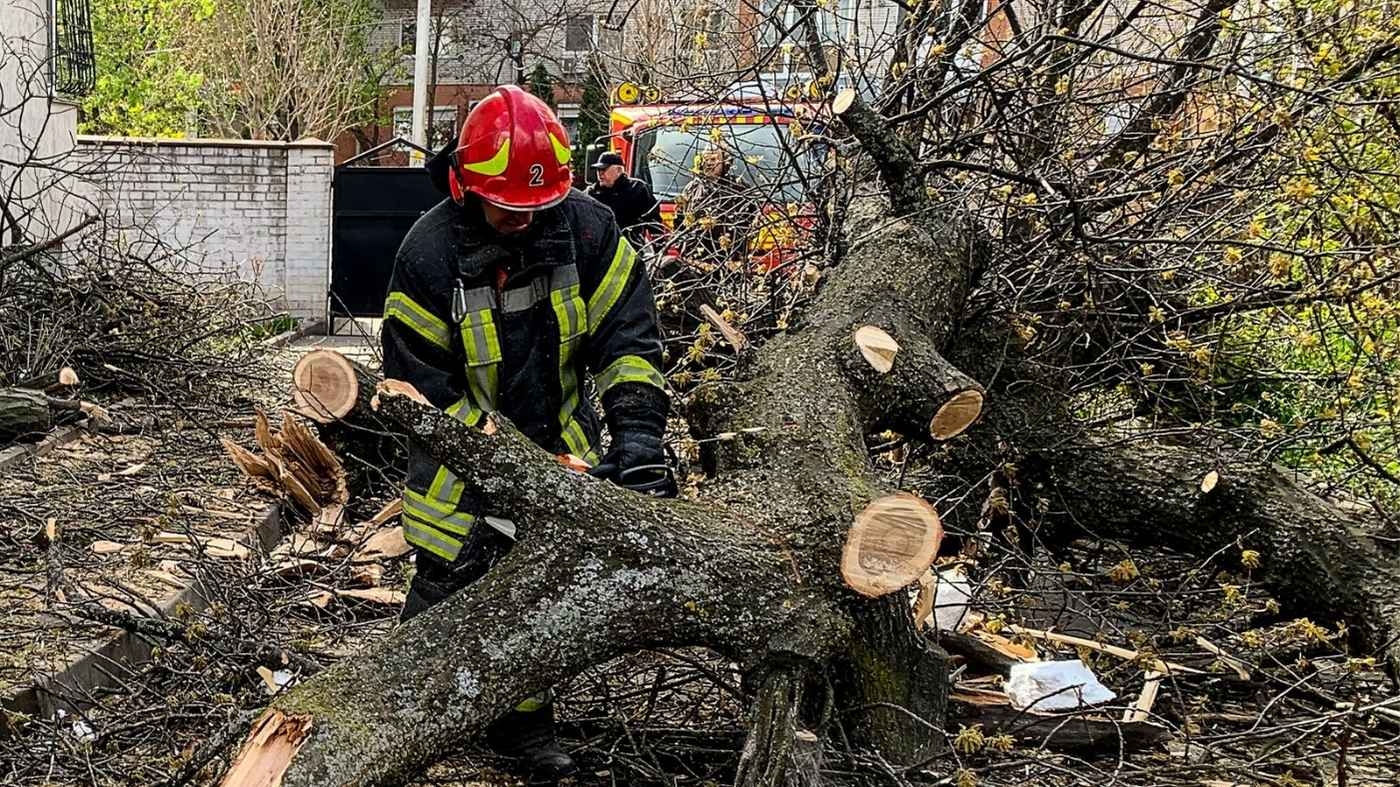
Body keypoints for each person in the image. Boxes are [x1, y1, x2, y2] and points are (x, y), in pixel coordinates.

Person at [380, 84, 673, 785]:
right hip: (459, 455)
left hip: (562, 436)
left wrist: (636, 438)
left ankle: (522, 723)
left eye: (534, 209)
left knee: (540, 592)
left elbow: (628, 341)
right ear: (465, 184)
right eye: (507, 207)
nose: (520, 221)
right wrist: (505, 458)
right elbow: (419, 387)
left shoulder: (590, 231)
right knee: (448, 581)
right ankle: (391, 715)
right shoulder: (427, 255)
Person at [676, 146, 757, 263]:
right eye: (706, 159)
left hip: (730, 258)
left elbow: (752, 220)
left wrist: (740, 249)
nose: (708, 163)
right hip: (696, 258)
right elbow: (679, 222)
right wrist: (684, 249)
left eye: (713, 159)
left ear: (726, 163)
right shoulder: (692, 188)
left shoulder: (738, 188)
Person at [587, 151, 663, 243]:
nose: (600, 173)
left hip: (630, 248)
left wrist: (660, 250)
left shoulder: (637, 189)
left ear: (619, 170)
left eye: (604, 169)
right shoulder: (591, 194)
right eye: (598, 170)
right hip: (600, 251)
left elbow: (654, 223)